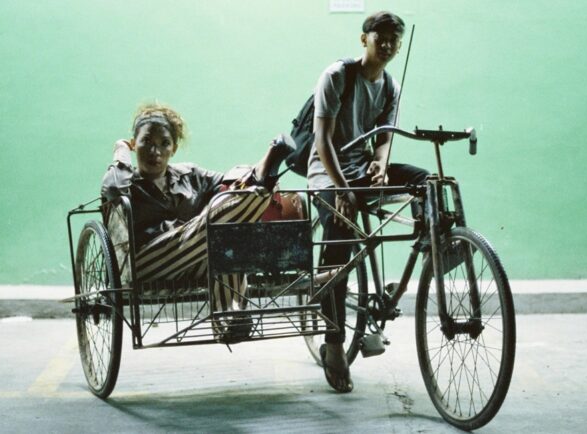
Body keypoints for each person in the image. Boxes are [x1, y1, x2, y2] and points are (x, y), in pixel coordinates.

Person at [308, 11, 430, 392]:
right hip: (326, 172)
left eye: (395, 39)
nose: (389, 45)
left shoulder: (390, 86)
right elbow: (322, 139)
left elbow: (383, 138)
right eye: (382, 37)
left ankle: (434, 245)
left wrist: (379, 163)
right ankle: (332, 343)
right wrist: (342, 189)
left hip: (361, 170)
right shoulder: (337, 76)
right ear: (365, 39)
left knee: (426, 181)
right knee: (339, 244)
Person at [101, 102, 293, 341]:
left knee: (226, 233)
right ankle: (263, 182)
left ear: (174, 149)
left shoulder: (190, 175)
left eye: (164, 143)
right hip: (146, 262)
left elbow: (229, 185)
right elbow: (111, 188)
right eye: (146, 142)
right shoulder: (127, 182)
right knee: (213, 227)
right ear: (134, 144)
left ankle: (228, 321)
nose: (155, 151)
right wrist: (121, 151)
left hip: (194, 256)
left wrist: (247, 178)